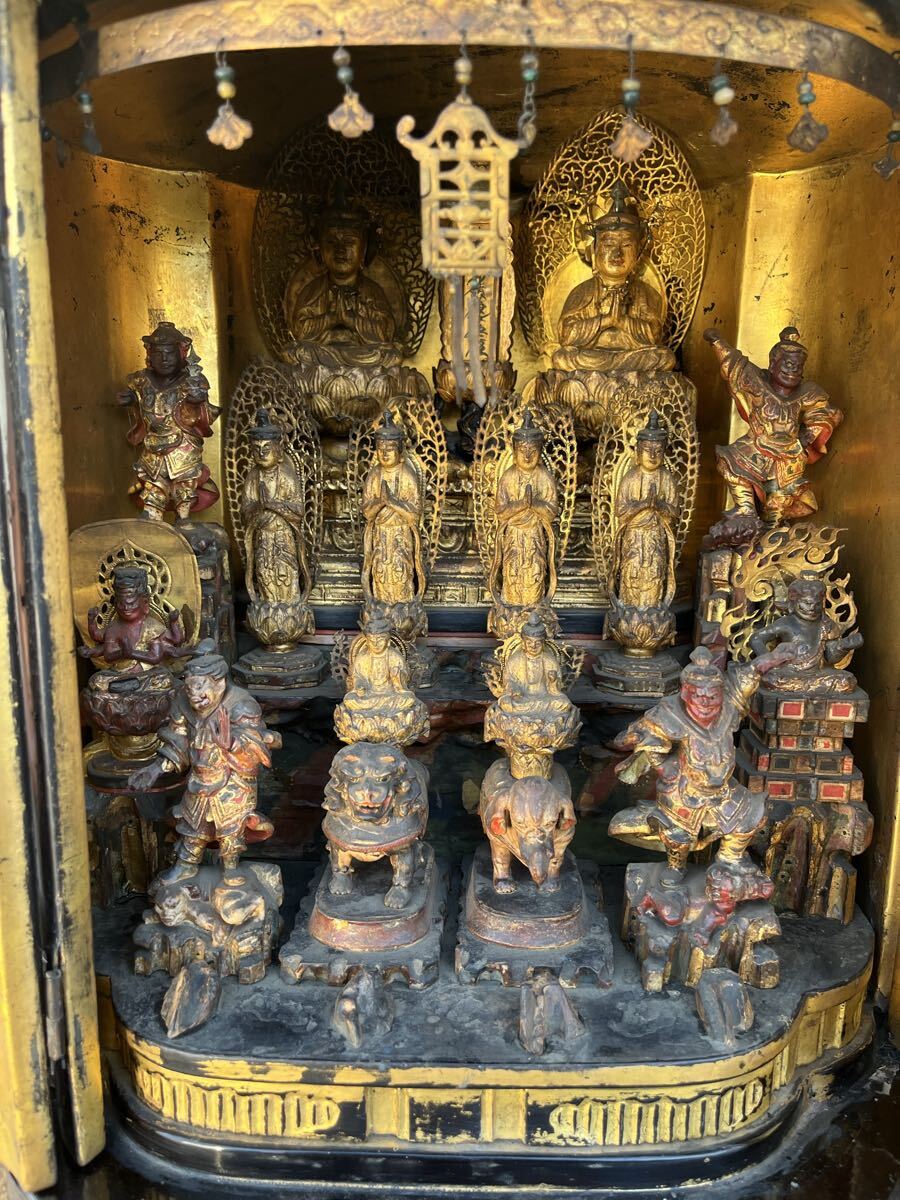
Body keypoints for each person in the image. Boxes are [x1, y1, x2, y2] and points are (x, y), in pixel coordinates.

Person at [129, 643, 281, 883]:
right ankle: (186, 864)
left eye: (201, 689)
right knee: (192, 825)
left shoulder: (240, 704)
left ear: (219, 683)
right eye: (190, 690)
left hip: (233, 779)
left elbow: (258, 743)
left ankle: (231, 867)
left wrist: (231, 742)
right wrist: (156, 768)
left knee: (231, 826)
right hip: (200, 776)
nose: (195, 697)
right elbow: (177, 740)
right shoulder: (182, 702)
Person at [706, 325, 842, 522]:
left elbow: (827, 412)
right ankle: (746, 509)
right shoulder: (759, 384)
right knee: (728, 464)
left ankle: (773, 525)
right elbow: (734, 365)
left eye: (798, 367)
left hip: (789, 455)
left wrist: (807, 436)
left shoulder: (806, 392)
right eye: (787, 365)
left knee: (780, 496)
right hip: (756, 446)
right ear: (773, 365)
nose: (793, 371)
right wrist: (717, 341)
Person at [552, 180, 674, 374]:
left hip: (633, 361)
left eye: (626, 246)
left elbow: (654, 335)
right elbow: (566, 335)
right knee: (562, 358)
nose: (617, 255)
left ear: (638, 254)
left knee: (664, 358)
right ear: (594, 251)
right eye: (608, 246)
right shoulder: (583, 291)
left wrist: (622, 322)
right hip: (590, 360)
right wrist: (605, 321)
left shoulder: (645, 293)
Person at [118, 321, 220, 521]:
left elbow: (206, 416)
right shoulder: (141, 381)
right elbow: (142, 410)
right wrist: (133, 401)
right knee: (154, 487)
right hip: (153, 448)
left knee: (184, 487)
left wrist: (195, 402)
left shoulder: (193, 382)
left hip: (182, 446)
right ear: (149, 354)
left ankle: (184, 520)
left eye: (169, 353)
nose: (164, 359)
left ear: (181, 354)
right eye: (158, 354)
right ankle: (153, 522)